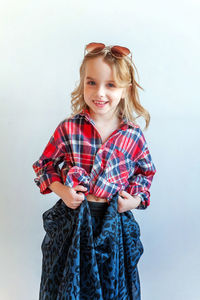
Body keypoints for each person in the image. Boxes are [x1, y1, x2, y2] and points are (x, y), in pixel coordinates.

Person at [32, 42, 157, 300]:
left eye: (110, 85)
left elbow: (145, 175)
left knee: (112, 287)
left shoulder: (132, 135)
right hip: (74, 221)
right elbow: (44, 165)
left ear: (125, 90)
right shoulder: (69, 128)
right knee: (68, 287)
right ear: (82, 83)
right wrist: (63, 191)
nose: (100, 92)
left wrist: (133, 200)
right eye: (92, 82)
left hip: (114, 225)